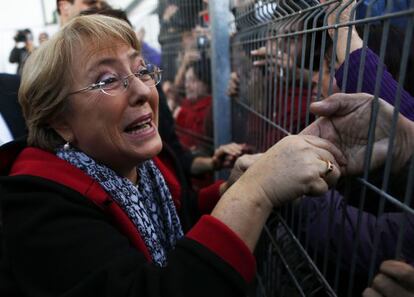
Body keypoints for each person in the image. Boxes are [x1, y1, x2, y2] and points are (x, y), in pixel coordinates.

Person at [0, 15, 343, 297]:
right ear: (61, 121)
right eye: (107, 80)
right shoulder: (37, 210)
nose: (141, 91)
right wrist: (254, 193)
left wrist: (227, 191)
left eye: (141, 69)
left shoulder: (148, 167)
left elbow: (185, 216)